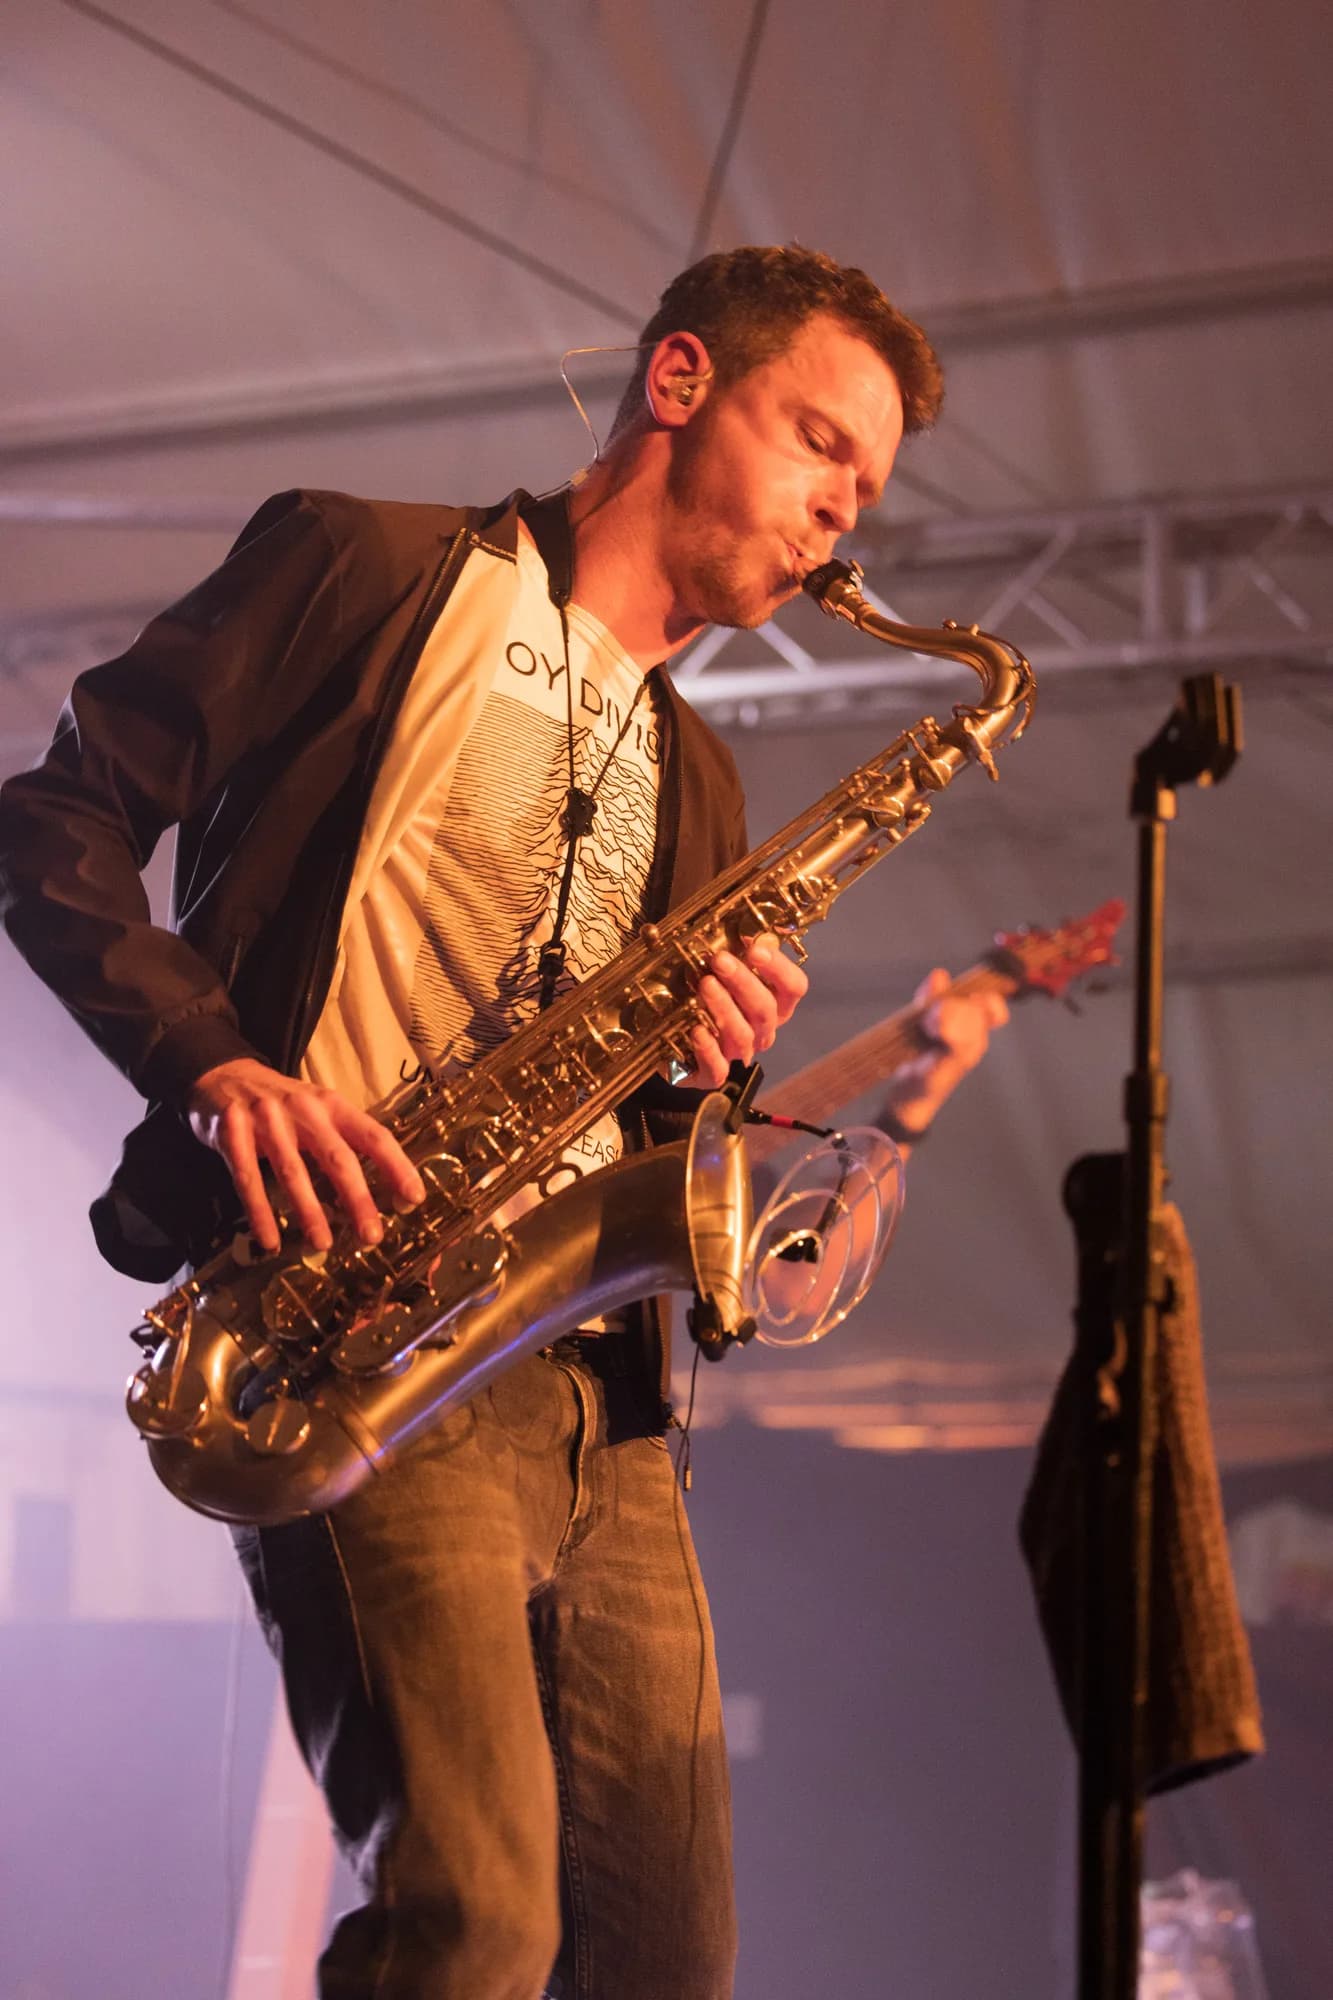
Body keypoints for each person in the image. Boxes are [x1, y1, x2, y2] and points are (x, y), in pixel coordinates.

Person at [0, 245, 1001, 1998]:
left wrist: (714, 1068)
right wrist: (217, 1066)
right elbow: (52, 822)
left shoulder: (705, 778)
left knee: (665, 1962)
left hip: (595, 1392)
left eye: (865, 492)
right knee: (476, 1929)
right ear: (679, 382)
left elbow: (655, 1114)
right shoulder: (367, 566)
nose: (840, 521)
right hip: (359, 1323)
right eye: (817, 445)